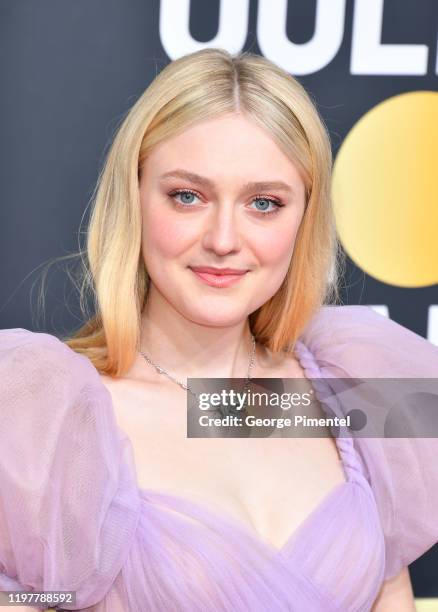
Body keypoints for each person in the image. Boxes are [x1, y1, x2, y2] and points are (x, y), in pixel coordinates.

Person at [1, 48, 437, 612]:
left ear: (305, 217)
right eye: (188, 196)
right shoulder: (52, 422)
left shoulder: (354, 389)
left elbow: (389, 590)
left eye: (264, 203)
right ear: (133, 197)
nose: (224, 239)